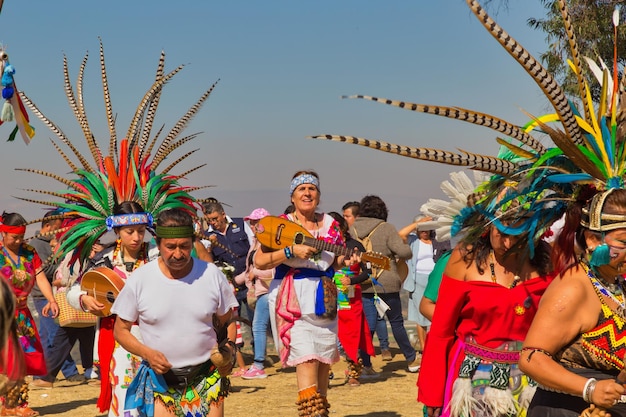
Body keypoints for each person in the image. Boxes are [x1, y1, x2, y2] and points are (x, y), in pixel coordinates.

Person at [417, 213, 554, 417]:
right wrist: (432, 393)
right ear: (489, 226)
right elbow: (441, 331)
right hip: (470, 380)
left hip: (530, 379)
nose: (507, 244)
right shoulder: (465, 258)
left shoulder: (546, 261)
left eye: (517, 237)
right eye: (502, 234)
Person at [113, 208, 238, 417]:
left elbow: (228, 321)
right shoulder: (140, 279)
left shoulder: (211, 275)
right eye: (170, 247)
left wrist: (229, 351)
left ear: (192, 243)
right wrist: (148, 354)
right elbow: (121, 330)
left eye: (184, 246)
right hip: (160, 382)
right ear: (158, 243)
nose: (178, 254)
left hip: (206, 376)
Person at [255, 170, 358, 416]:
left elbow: (334, 262)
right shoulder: (278, 224)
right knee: (308, 359)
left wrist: (348, 261)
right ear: (292, 196)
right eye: (301, 189)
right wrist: (289, 252)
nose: (307, 193)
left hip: (324, 299)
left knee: (323, 364)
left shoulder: (331, 225)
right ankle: (311, 413)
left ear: (319, 196)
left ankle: (320, 412)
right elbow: (259, 261)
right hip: (293, 299)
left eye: (312, 189)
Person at [519, 188, 626, 416]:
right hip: (565, 410)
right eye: (624, 241)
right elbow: (530, 357)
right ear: (593, 239)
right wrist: (590, 388)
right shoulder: (573, 287)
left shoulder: (616, 285)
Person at [65, 201, 160, 417]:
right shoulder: (105, 260)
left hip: (155, 333)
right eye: (129, 232)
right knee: (123, 386)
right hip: (117, 336)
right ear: (117, 230)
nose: (136, 237)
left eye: (141, 231)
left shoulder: (156, 255)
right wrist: (84, 299)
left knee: (156, 390)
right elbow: (74, 290)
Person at [0, 212, 59, 417]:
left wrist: (51, 299)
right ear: (3, 233)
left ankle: (21, 405)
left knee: (24, 358)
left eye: (21, 237)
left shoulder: (29, 252)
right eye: (13, 237)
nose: (18, 241)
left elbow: (41, 277)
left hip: (23, 316)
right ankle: (6, 405)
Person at [350, 195, 417, 373]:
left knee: (368, 326)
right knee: (396, 323)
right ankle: (411, 359)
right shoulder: (386, 228)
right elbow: (405, 253)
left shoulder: (353, 229)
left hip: (363, 282)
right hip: (387, 282)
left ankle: (365, 365)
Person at [30, 239, 103, 390]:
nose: (53, 249)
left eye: (54, 246)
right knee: (84, 338)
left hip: (73, 302)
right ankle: (90, 372)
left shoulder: (72, 257)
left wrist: (58, 282)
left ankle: (48, 377)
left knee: (62, 340)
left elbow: (66, 279)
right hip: (82, 303)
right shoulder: (78, 256)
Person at [29, 212, 83, 388]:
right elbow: (45, 270)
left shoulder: (43, 244)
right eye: (58, 227)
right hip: (45, 295)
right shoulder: (37, 244)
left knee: (47, 337)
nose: (59, 231)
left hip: (45, 295)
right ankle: (69, 372)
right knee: (57, 335)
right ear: (48, 226)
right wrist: (62, 261)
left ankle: (42, 373)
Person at [328, 211, 375, 387]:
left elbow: (368, 270)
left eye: (336, 227)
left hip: (350, 297)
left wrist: (352, 280)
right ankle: (325, 372)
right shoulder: (323, 246)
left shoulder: (356, 246)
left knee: (352, 334)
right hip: (326, 296)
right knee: (327, 334)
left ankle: (354, 371)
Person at [398, 215, 451, 354]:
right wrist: (417, 224)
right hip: (417, 281)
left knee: (436, 314)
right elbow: (400, 234)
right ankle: (424, 348)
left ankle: (435, 345)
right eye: (422, 228)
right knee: (420, 316)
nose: (424, 231)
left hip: (435, 280)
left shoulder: (438, 241)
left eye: (427, 228)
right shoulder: (413, 241)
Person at [202, 199, 255, 323]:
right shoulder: (206, 236)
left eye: (215, 218)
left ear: (223, 214)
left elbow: (254, 246)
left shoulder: (240, 224)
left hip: (249, 281)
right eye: (209, 220)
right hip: (229, 287)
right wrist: (210, 247)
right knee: (232, 323)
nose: (213, 223)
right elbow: (208, 263)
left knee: (255, 321)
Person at [241, 208, 275, 380]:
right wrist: (232, 280)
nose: (252, 225)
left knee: (258, 325)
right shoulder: (256, 243)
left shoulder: (269, 244)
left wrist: (256, 274)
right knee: (269, 328)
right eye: (251, 222)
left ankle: (258, 364)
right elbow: (249, 270)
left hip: (268, 291)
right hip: (260, 291)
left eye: (256, 222)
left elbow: (274, 271)